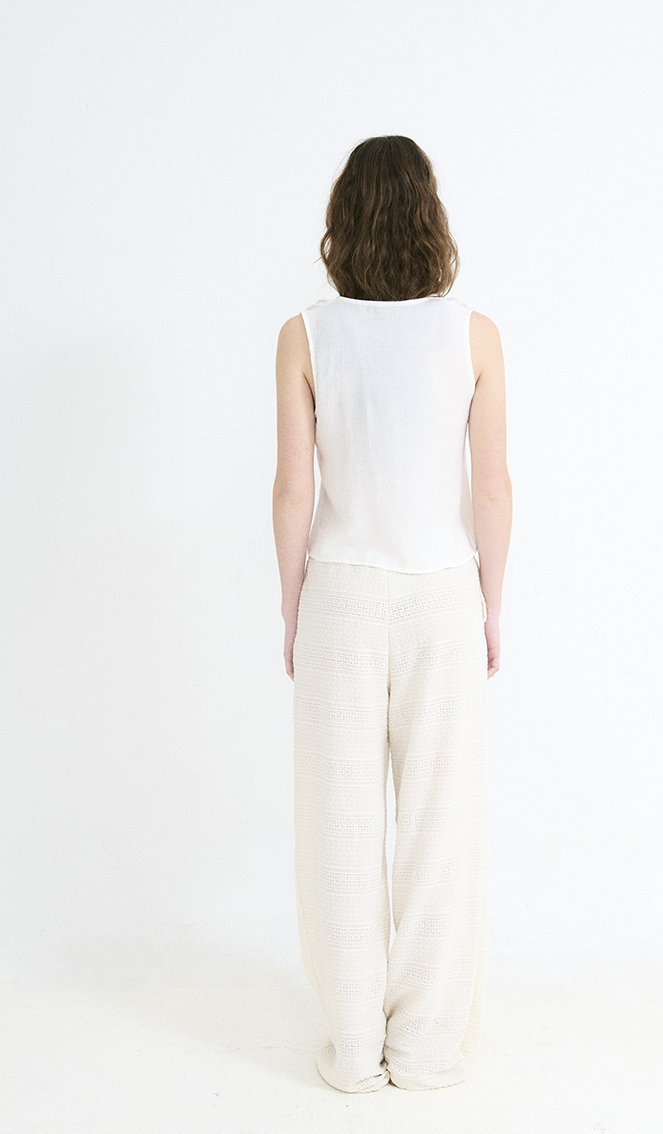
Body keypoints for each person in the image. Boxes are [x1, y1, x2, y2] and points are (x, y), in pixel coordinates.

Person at [272, 135, 512, 1093]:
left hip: (341, 591)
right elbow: (491, 488)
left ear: (343, 221)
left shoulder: (304, 335)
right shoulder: (474, 334)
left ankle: (351, 1049)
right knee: (440, 824)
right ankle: (423, 1046)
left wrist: (291, 605)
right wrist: (493, 603)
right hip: (442, 593)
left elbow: (294, 489)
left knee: (337, 820)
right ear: (429, 218)